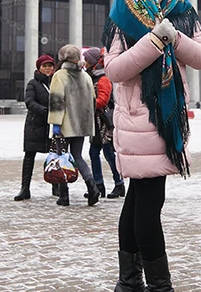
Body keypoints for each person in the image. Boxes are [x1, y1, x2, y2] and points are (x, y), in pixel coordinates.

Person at [103, 0, 201, 292]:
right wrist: (155, 40)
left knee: (138, 201)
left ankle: (129, 287)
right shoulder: (123, 11)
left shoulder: (183, 10)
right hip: (138, 119)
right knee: (149, 206)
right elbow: (114, 70)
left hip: (166, 120)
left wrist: (174, 36)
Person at [47, 44, 100, 207]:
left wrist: (55, 123)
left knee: (61, 157)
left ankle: (64, 196)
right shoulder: (85, 76)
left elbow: (56, 101)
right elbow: (92, 101)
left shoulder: (59, 76)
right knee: (77, 156)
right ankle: (93, 188)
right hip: (81, 125)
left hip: (64, 124)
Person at [83, 46, 125, 199]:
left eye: (87, 60)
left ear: (94, 62)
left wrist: (86, 103)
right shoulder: (91, 77)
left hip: (105, 124)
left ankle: (119, 184)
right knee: (93, 153)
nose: (84, 62)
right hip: (95, 123)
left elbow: (103, 101)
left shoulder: (103, 78)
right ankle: (98, 184)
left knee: (109, 154)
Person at [14, 54, 56, 201]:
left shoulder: (57, 82)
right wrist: (44, 111)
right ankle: (25, 188)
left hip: (53, 126)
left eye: (50, 65)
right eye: (44, 66)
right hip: (35, 126)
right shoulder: (33, 83)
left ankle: (56, 186)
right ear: (39, 68)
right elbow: (29, 102)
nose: (48, 68)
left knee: (55, 156)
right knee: (30, 156)